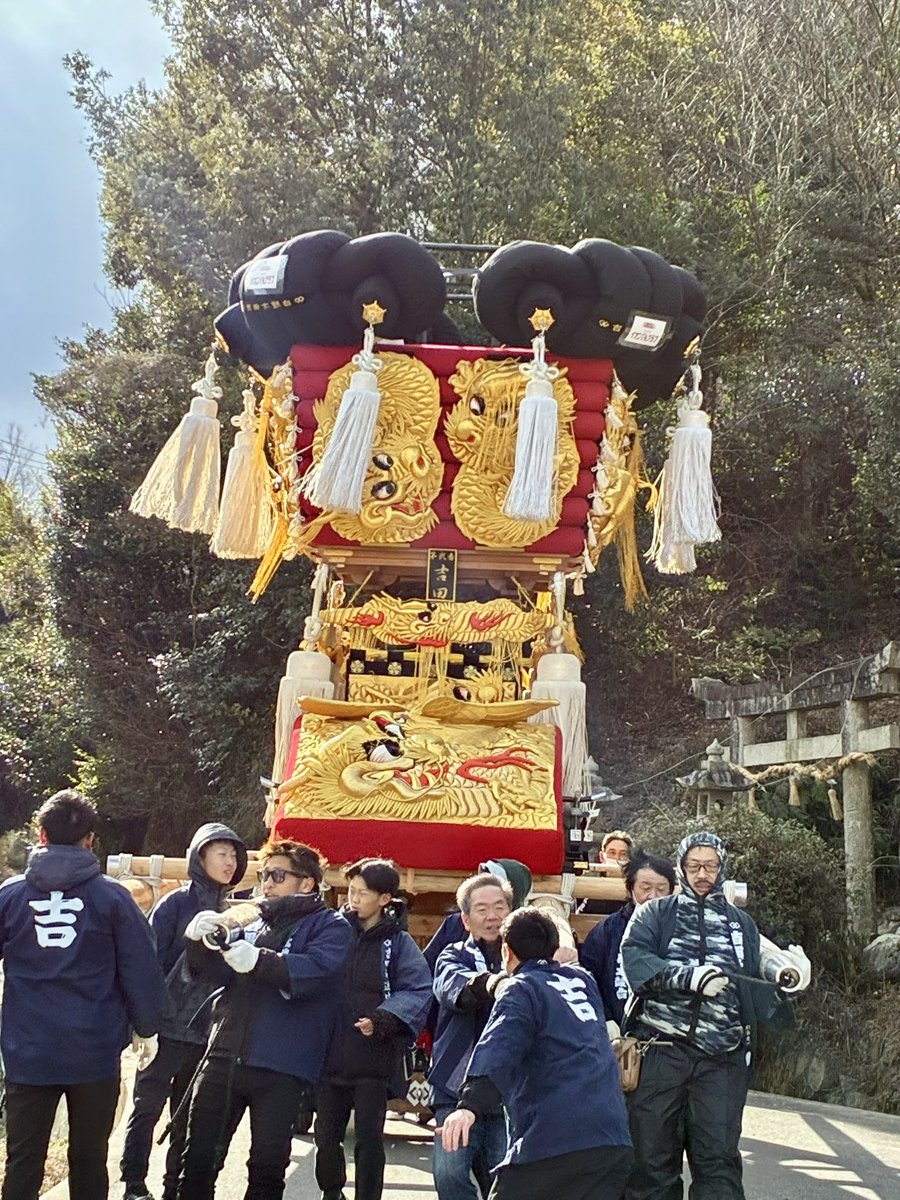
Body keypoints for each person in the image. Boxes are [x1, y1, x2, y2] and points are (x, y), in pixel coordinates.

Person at [0, 790, 167, 1200]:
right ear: (90, 839)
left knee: (23, 1160)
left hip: (27, 1050)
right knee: (90, 1157)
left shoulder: (10, 896)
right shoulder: (113, 898)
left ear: (40, 835)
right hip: (93, 1050)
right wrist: (147, 1027)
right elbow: (140, 967)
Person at [620, 831, 797, 1200]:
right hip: (661, 1053)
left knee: (718, 1162)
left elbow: (754, 982)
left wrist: (787, 984)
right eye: (694, 865)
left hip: (722, 1059)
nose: (703, 874)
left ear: (723, 868)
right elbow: (635, 961)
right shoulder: (655, 913)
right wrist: (689, 977)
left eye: (711, 866)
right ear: (681, 867)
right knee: (652, 1162)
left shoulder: (740, 924)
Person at [176, 839, 353, 1200]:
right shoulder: (256, 918)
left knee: (267, 1170)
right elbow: (217, 974)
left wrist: (261, 961)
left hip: (282, 1065)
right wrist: (199, 942)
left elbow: (316, 969)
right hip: (224, 1054)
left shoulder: (331, 925)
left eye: (277, 875)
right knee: (196, 1162)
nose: (267, 883)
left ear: (307, 883)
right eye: (263, 875)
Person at [439, 908, 633, 1200]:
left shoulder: (522, 988)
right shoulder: (583, 982)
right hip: (611, 1138)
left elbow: (500, 1046)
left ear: (506, 951)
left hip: (551, 1141)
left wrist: (469, 1105)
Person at [120, 822, 248, 1200]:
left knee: (187, 1119)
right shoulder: (175, 904)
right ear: (200, 855)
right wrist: (143, 1022)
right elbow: (147, 963)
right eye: (222, 853)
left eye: (234, 855)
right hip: (165, 1026)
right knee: (146, 1110)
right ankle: (133, 1185)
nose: (230, 862)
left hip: (207, 1034)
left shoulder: (234, 912)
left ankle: (173, 1188)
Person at [314, 858, 432, 1200]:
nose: (354, 898)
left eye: (362, 893)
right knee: (326, 1135)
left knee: (369, 1140)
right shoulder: (334, 930)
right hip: (332, 1049)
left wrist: (382, 1019)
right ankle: (331, 1191)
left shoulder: (399, 941)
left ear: (384, 899)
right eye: (351, 890)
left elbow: (417, 989)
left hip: (373, 1056)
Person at [430, 873, 513, 1200]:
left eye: (500, 907)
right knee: (449, 1174)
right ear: (465, 919)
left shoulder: (529, 958)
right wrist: (492, 984)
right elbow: (455, 990)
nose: (493, 916)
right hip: (456, 1085)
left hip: (508, 1090)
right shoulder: (453, 956)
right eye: (482, 909)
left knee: (504, 1180)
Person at [580, 849, 675, 1033]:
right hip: (616, 1031)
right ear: (631, 890)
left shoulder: (681, 930)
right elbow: (587, 977)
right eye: (645, 888)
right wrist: (604, 1017)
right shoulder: (608, 930)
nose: (653, 896)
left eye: (661, 889)